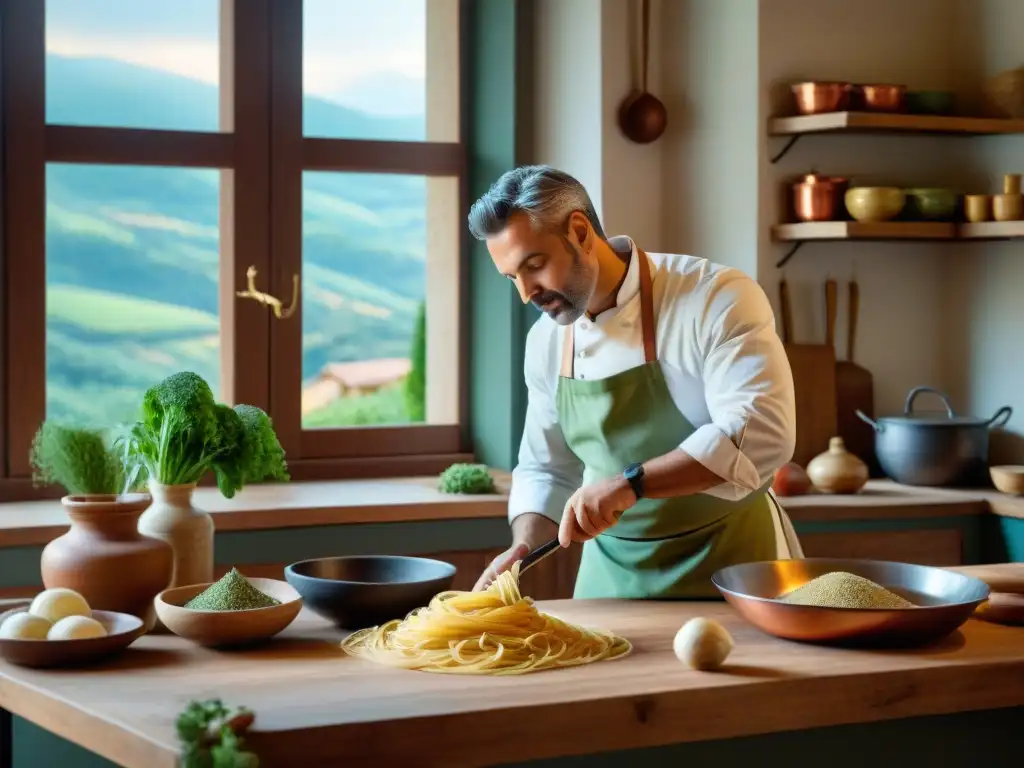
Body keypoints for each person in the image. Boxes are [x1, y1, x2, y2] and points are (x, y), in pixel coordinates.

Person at [468, 164, 803, 599]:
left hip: (734, 563)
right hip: (611, 575)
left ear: (581, 232)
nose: (526, 293)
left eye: (534, 265)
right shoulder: (546, 342)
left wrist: (630, 484)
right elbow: (546, 467)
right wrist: (523, 547)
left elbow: (761, 433)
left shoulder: (714, 297)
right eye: (513, 277)